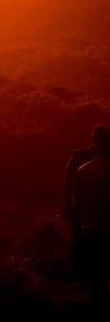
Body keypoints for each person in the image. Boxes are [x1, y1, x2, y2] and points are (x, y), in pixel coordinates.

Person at [72, 130, 110, 311]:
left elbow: (77, 204)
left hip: (88, 231)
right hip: (107, 234)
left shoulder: (83, 170)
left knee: (94, 279)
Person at [66, 124, 110, 276]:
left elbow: (74, 193)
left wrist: (71, 208)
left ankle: (80, 284)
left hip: (88, 226)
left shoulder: (83, 167)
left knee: (92, 272)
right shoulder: (80, 160)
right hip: (100, 227)